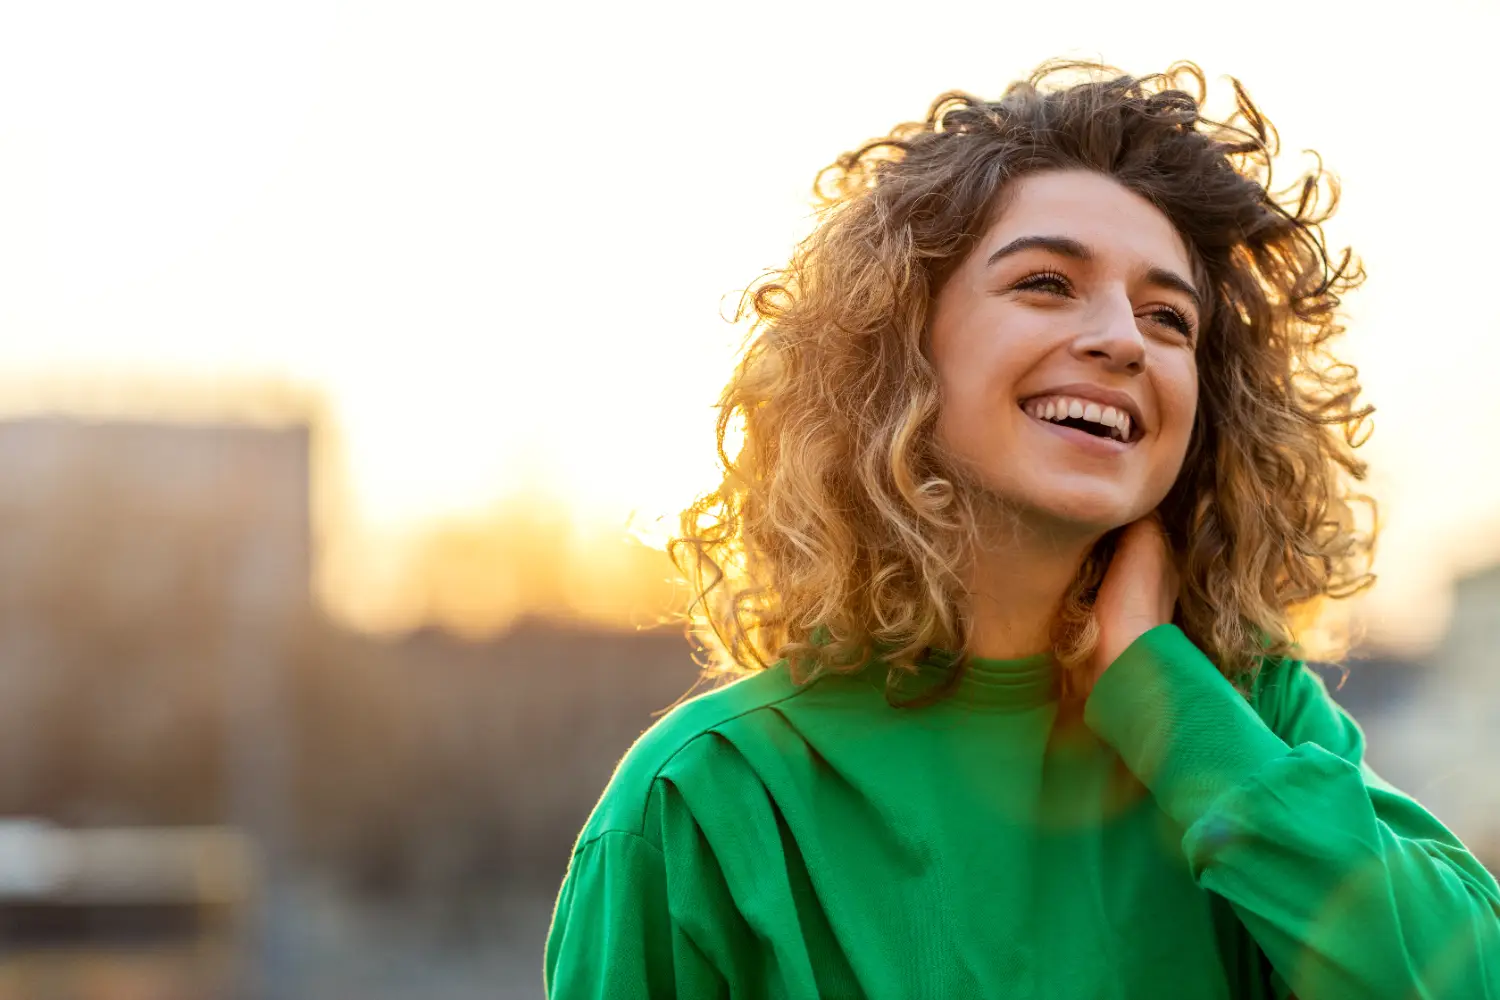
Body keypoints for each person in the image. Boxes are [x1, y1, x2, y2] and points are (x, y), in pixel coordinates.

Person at [543, 60, 1500, 998]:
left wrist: (1167, 706)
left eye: (1169, 316)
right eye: (1046, 283)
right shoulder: (706, 801)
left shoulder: (1252, 722)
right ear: (897, 348)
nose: (1124, 337)